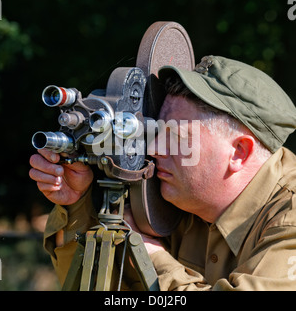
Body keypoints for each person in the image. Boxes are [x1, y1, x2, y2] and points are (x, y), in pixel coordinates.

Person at [29, 55, 296, 290]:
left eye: (177, 137)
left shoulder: (289, 219)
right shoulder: (169, 200)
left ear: (239, 152)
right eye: (158, 131)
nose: (154, 148)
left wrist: (152, 257)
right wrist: (78, 206)